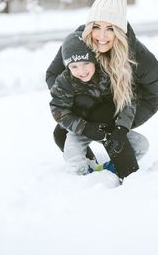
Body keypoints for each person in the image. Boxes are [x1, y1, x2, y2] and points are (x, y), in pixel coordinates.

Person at [46, 0, 158, 177]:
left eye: (110, 28)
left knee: (105, 120)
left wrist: (122, 126)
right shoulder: (78, 42)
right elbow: (53, 74)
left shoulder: (136, 55)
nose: (101, 35)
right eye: (97, 26)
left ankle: (126, 173)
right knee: (61, 133)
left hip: (133, 102)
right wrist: (74, 100)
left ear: (119, 30)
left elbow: (152, 94)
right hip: (92, 98)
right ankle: (90, 166)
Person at [49, 32, 146, 178]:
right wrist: (84, 127)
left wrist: (122, 127)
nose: (81, 71)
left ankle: (111, 170)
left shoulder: (108, 74)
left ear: (94, 59)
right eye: (74, 66)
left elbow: (128, 100)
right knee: (73, 156)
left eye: (86, 63)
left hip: (108, 125)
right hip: (81, 127)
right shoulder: (64, 82)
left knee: (141, 145)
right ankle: (87, 177)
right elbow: (59, 110)